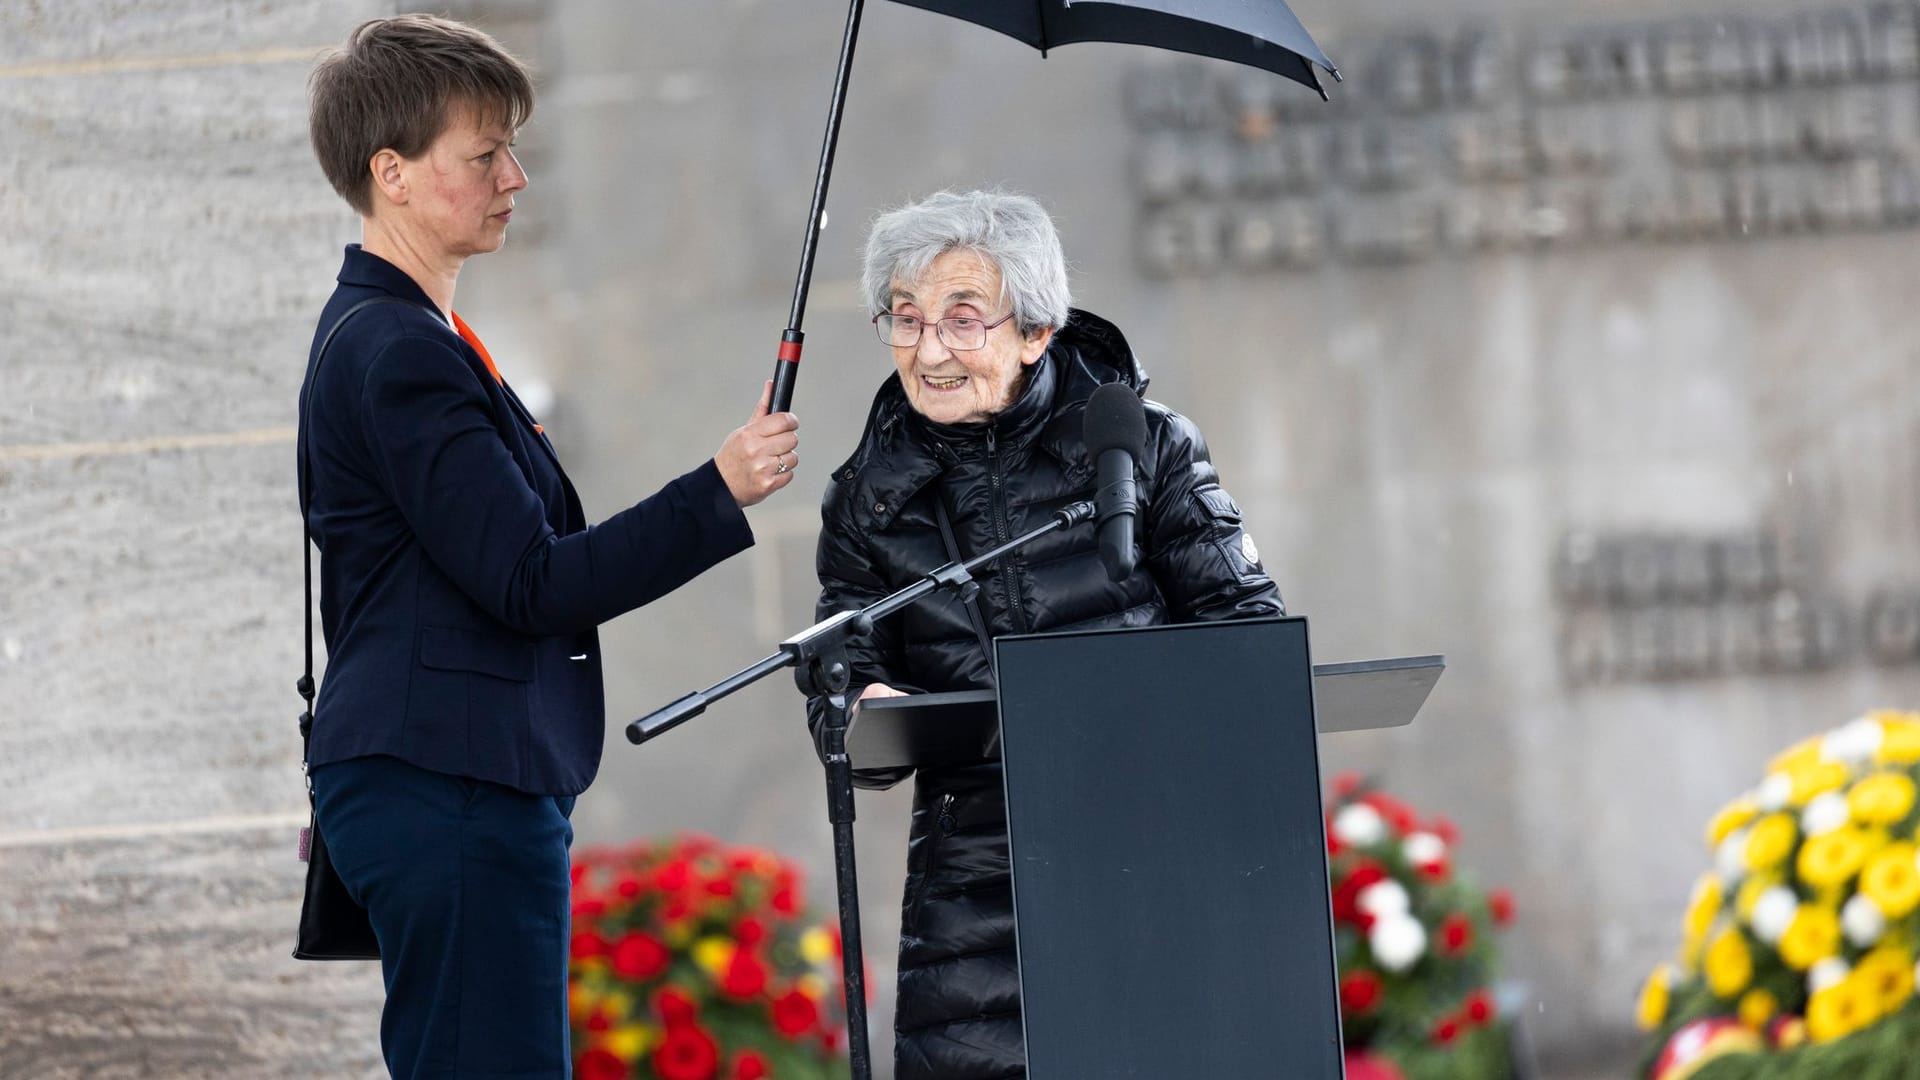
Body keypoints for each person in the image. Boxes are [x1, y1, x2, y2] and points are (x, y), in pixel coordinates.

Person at [298, 15, 801, 1078]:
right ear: (391, 173)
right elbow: (530, 580)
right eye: (483, 155)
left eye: (511, 150)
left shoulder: (405, 336)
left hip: (444, 780)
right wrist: (716, 491)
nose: (515, 177)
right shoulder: (400, 352)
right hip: (454, 787)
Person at [809, 189, 1283, 1079]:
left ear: (1034, 331)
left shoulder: (1144, 449)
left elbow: (1246, 635)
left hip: (1154, 850)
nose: (928, 350)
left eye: (961, 319)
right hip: (977, 895)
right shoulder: (868, 498)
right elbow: (847, 712)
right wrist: (857, 709)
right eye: (904, 320)